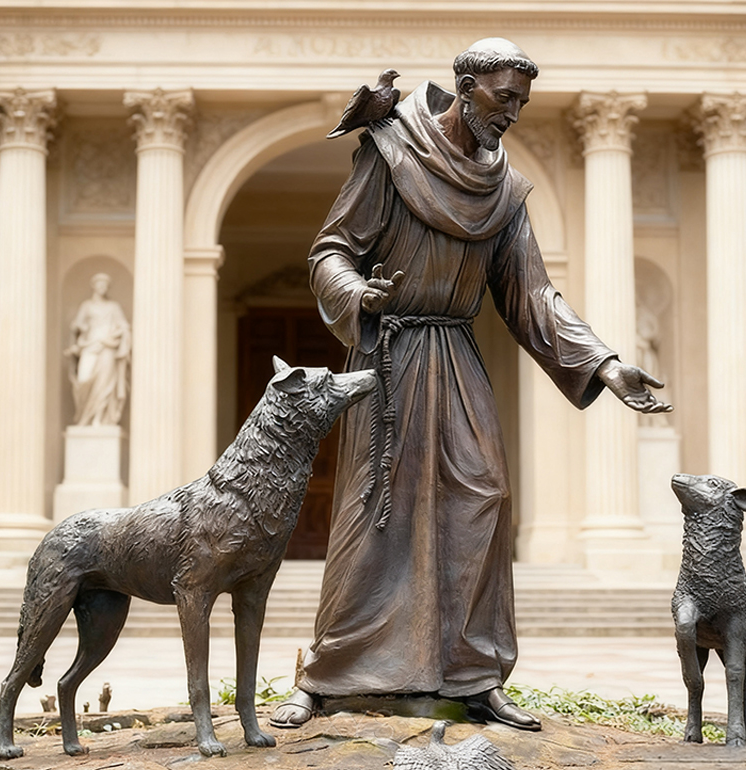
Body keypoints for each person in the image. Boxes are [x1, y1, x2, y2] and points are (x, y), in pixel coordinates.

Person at [271, 38, 671, 730]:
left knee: (481, 501)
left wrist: (605, 363)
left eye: (521, 100)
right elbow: (331, 250)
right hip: (389, 360)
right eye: (504, 97)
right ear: (466, 86)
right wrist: (360, 295)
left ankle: (476, 674)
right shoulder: (390, 150)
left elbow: (532, 296)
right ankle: (325, 676)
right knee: (376, 511)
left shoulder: (504, 189)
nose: (512, 112)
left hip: (455, 359)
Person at [65, 273, 131, 426]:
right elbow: (77, 326)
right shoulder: (86, 306)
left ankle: (99, 419)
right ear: (94, 286)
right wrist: (78, 333)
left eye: (105, 285)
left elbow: (123, 325)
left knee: (105, 383)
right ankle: (84, 415)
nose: (102, 287)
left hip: (108, 346)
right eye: (100, 284)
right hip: (89, 345)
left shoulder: (113, 307)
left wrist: (121, 332)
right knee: (83, 380)